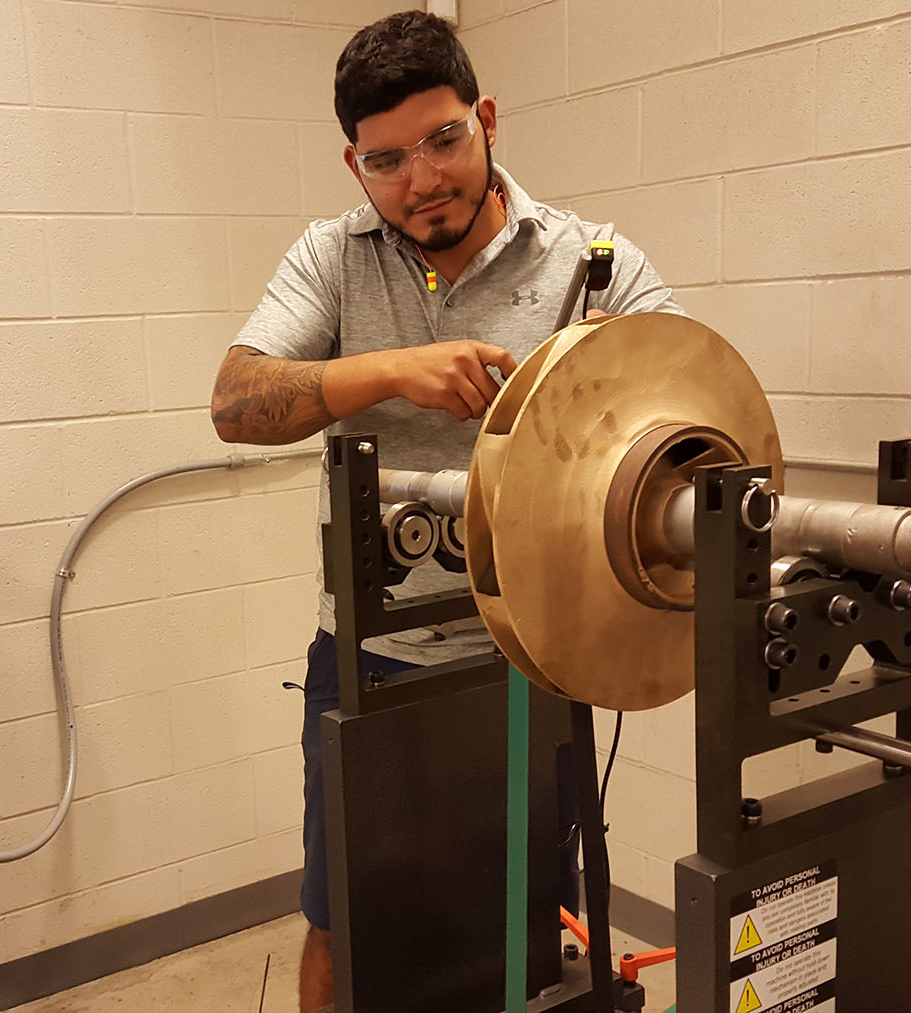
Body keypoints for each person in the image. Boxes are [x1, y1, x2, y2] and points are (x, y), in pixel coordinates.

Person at [209, 11, 684, 1011]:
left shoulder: (588, 262)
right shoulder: (335, 258)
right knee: (346, 928)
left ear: (488, 120)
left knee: (510, 921)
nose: (421, 179)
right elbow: (236, 401)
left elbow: (690, 402)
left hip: (532, 658)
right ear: (355, 165)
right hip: (373, 660)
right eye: (387, 160)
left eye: (443, 140)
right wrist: (392, 370)